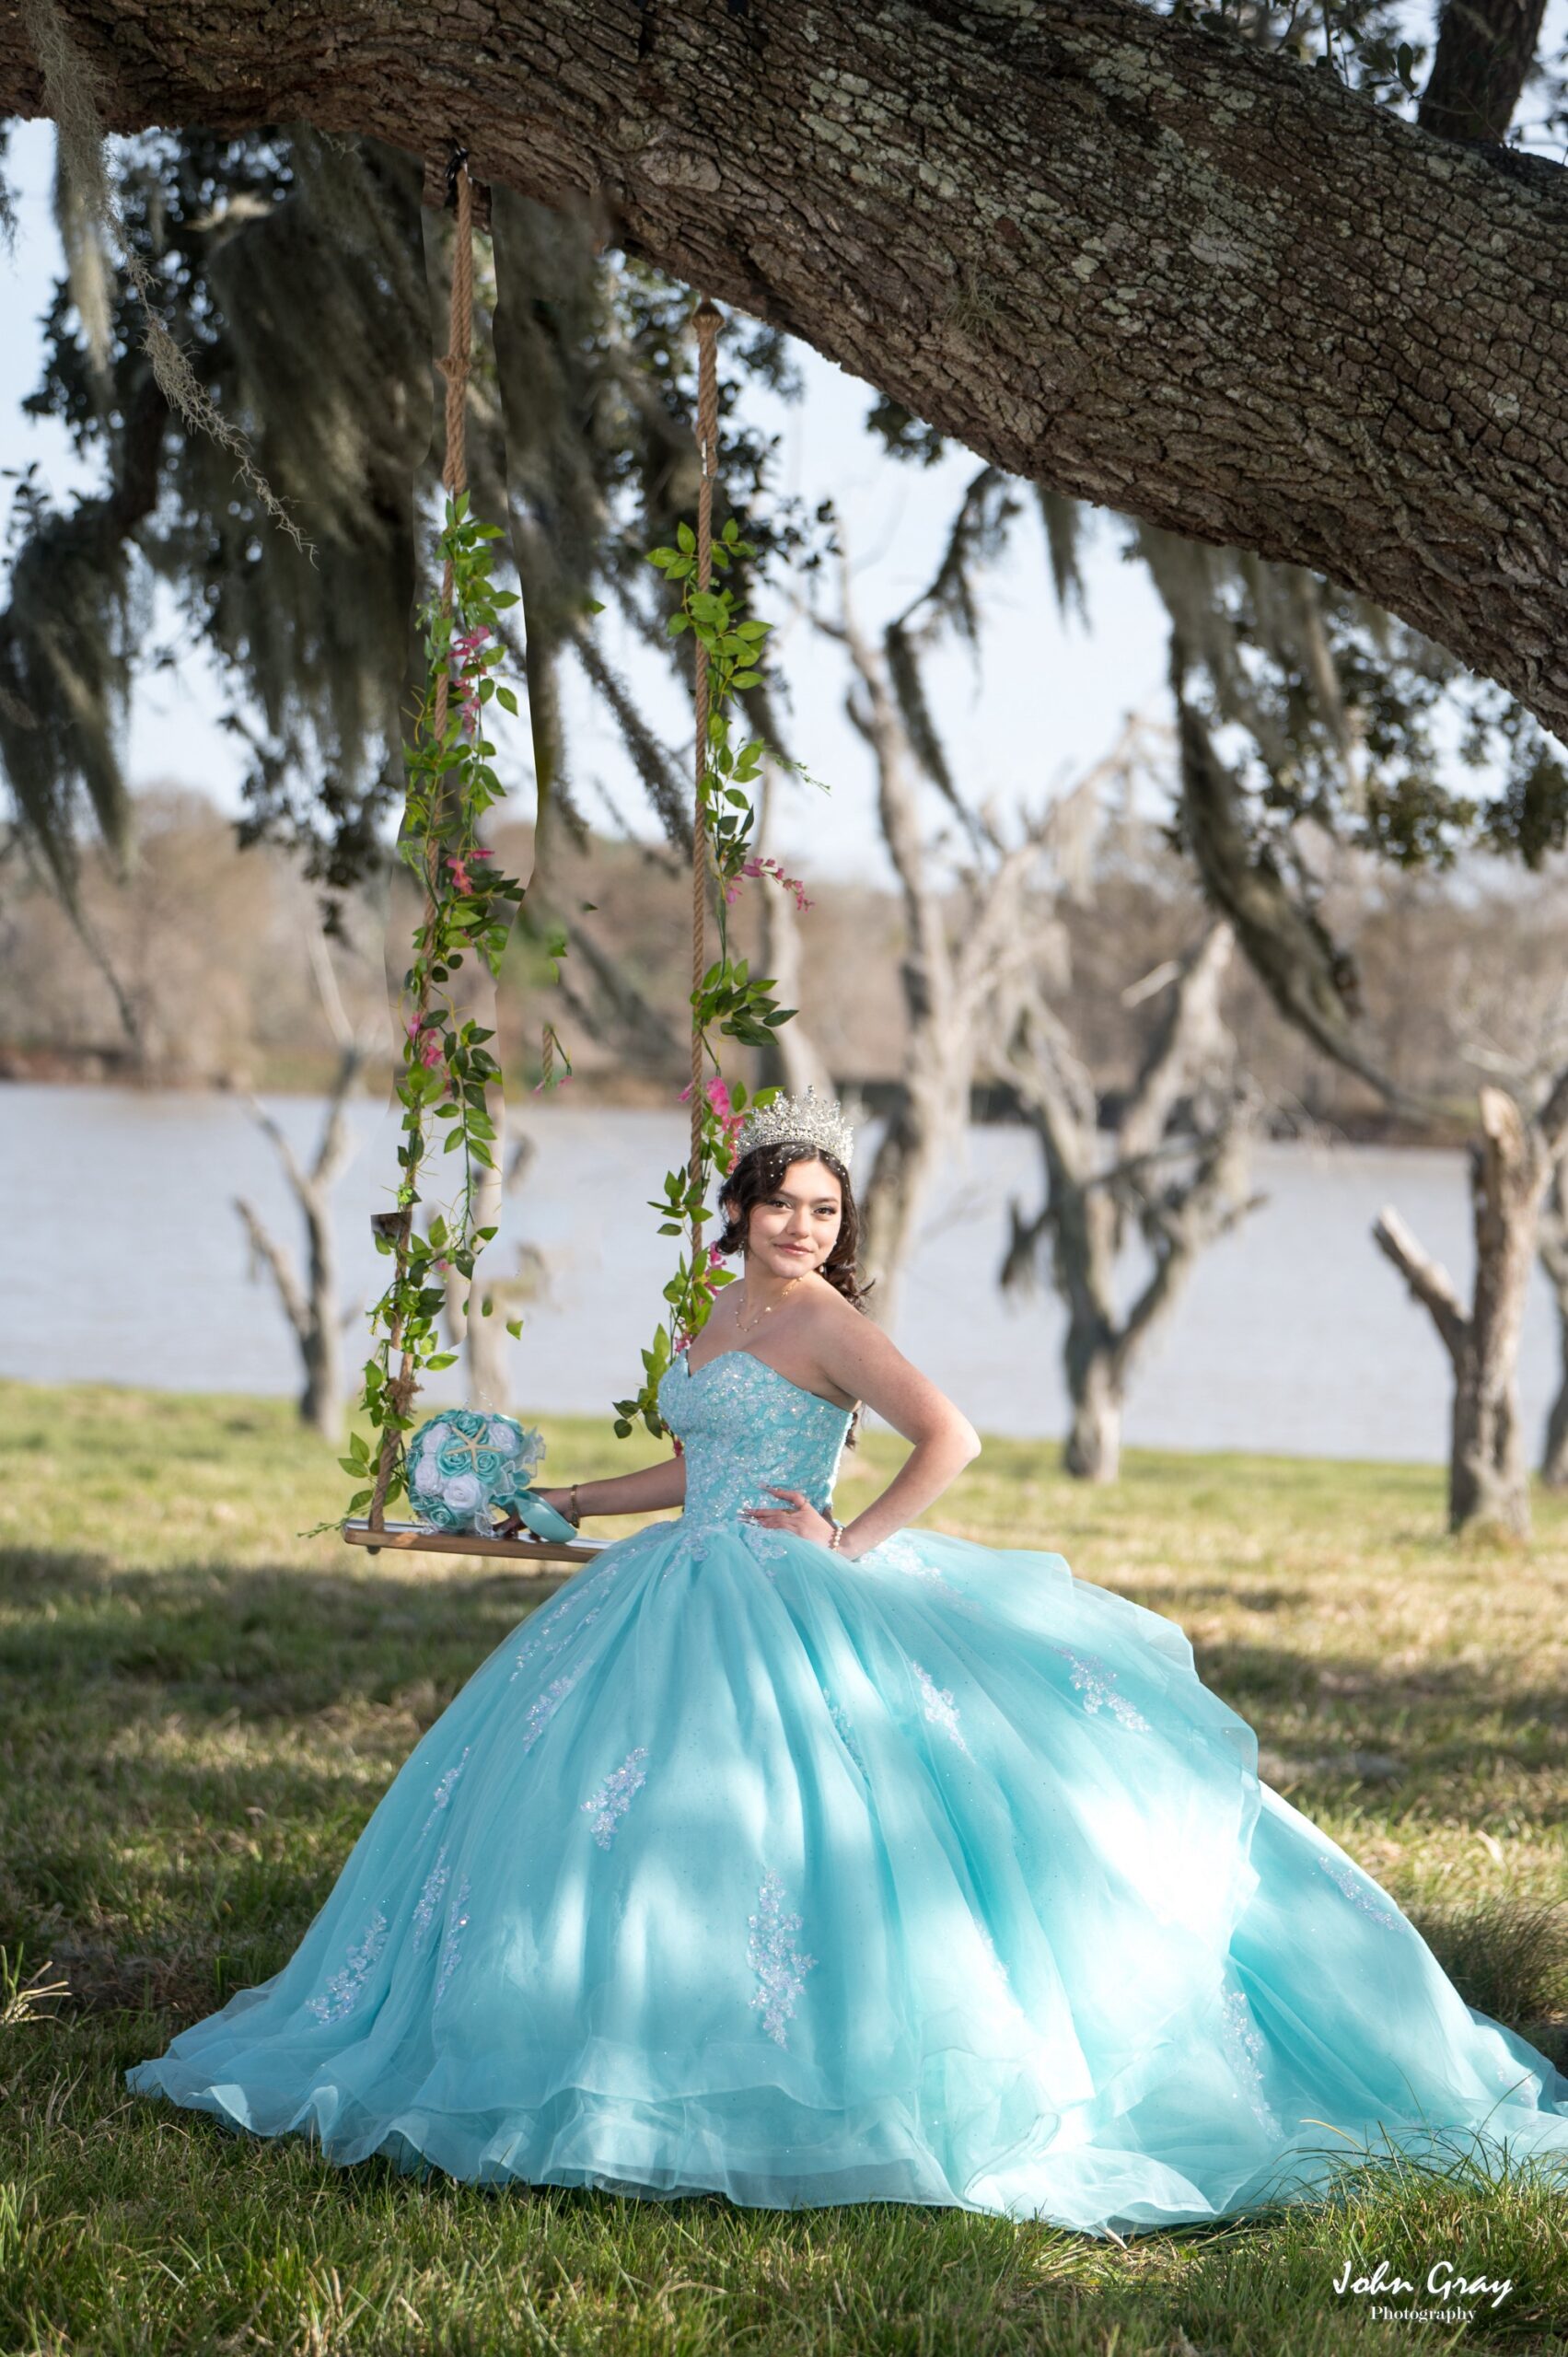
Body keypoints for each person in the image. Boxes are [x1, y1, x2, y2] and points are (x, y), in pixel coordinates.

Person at [128, 1088, 1568, 2235]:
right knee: (590, 1809)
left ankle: (800, 2092)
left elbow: (954, 1437)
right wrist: (566, 1501)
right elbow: (697, 1463)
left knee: (804, 1830)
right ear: (740, 1210)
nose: (803, 1226)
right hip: (677, 1579)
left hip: (790, 1588)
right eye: (783, 1203)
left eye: (826, 1209)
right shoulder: (719, 1313)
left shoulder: (826, 1321)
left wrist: (852, 1541)